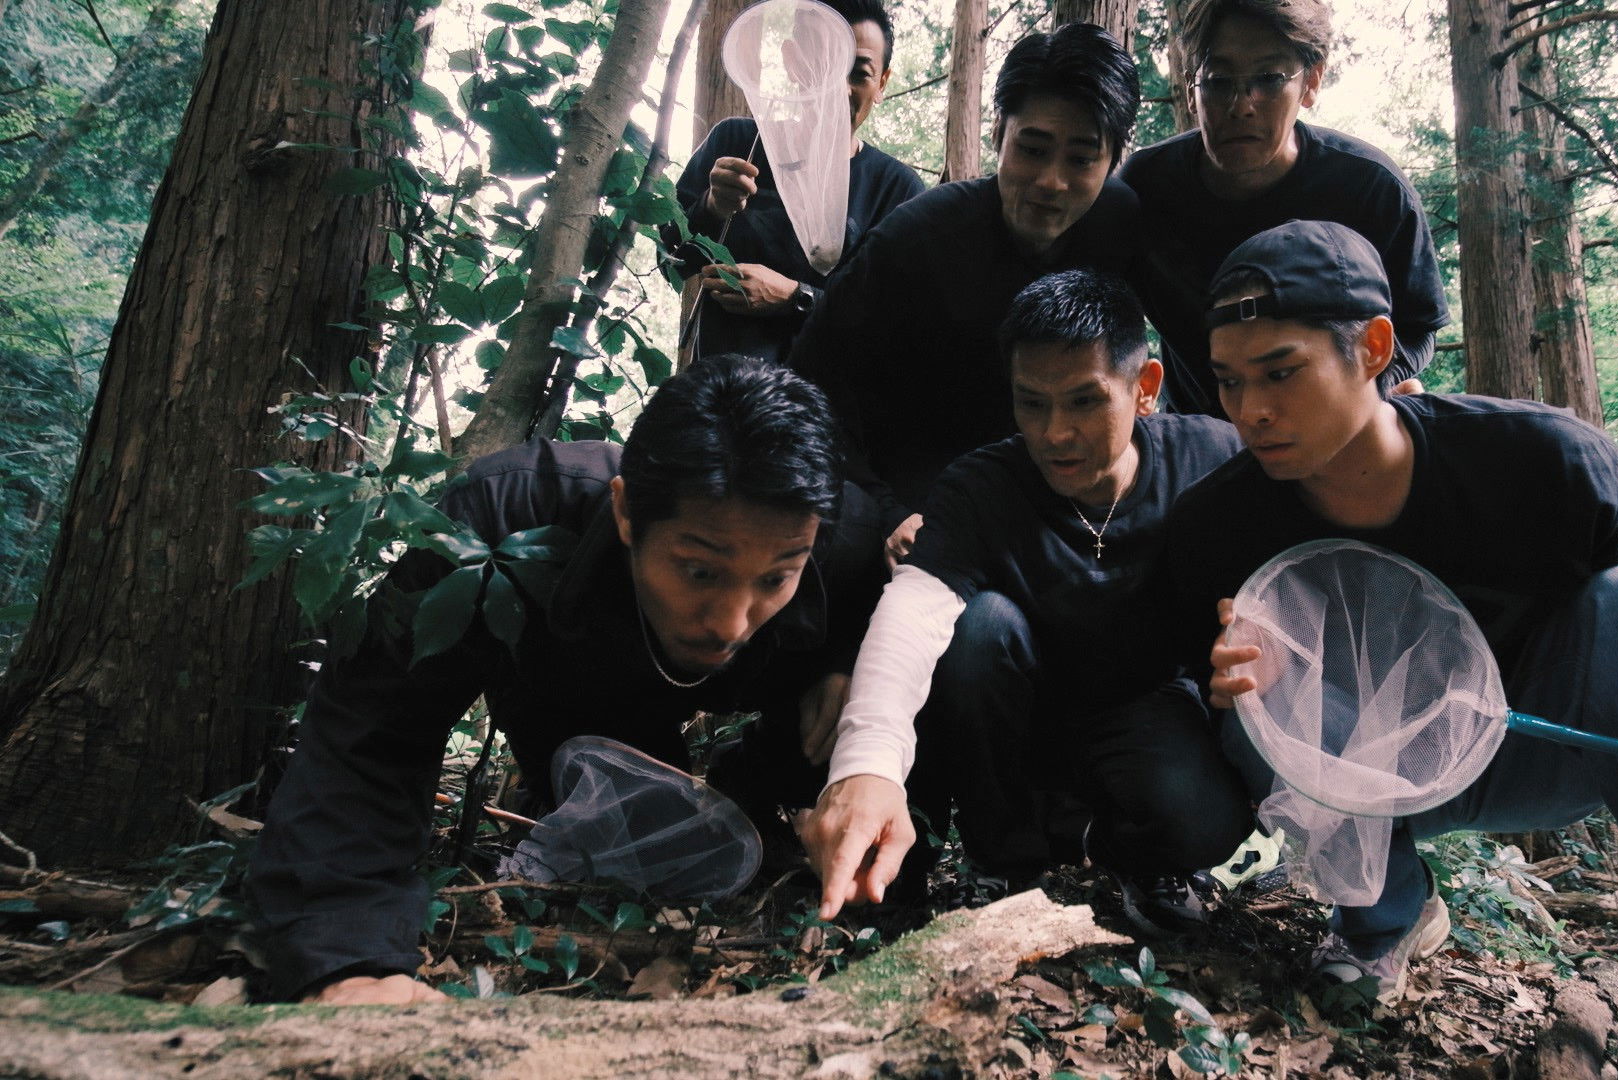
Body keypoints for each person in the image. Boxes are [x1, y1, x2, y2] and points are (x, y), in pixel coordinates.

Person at [1164, 220, 1618, 1079]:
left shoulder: (1536, 456)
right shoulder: (1219, 520)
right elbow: (1160, 673)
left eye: (1281, 372)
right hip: (1371, 772)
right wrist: (1226, 679)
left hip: (1552, 747)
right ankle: (1383, 922)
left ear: (1372, 348)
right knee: (1252, 677)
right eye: (1229, 381)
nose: (1250, 411)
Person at [249, 356, 886, 1005]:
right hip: (575, 698)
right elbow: (373, 730)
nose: (730, 622)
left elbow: (895, 593)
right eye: (700, 571)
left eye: (776, 578)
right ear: (627, 511)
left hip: (762, 695)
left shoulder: (847, 535)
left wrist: (851, 667)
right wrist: (347, 958)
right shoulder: (501, 516)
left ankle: (748, 779)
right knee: (627, 852)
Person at [796, 270, 1253, 935]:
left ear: (1145, 387)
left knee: (1206, 826)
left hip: (1145, 706)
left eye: (1084, 401)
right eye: (1032, 403)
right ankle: (1005, 857)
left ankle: (1108, 845)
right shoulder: (981, 487)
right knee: (978, 626)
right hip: (1015, 711)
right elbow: (912, 613)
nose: (1055, 433)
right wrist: (866, 766)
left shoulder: (1214, 458)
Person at [787, 23, 1141, 540]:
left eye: (1081, 159)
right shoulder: (919, 236)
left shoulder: (1120, 226)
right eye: (1033, 149)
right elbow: (812, 376)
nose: (1051, 181)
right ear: (998, 133)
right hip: (906, 486)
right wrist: (888, 511)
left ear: (1113, 161)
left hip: (1046, 482)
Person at [1119, 0, 1448, 415]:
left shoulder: (1370, 189)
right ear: (1191, 87)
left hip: (1330, 429)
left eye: (1269, 79)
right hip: (1200, 434)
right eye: (1219, 82)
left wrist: (1373, 387)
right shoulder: (1144, 188)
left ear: (1311, 82)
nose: (1241, 105)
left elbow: (1418, 327)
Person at [668, 0, 925, 365]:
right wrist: (712, 206)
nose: (838, 89)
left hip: (828, 398)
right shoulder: (737, 143)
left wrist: (794, 298)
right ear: (792, 62)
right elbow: (671, 261)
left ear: (882, 82)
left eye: (858, 73)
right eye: (822, 66)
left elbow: (896, 323)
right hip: (722, 392)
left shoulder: (897, 190)